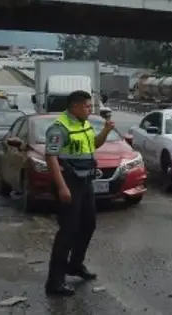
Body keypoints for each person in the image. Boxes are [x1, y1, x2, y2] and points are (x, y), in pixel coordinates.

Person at [43, 90, 116, 296]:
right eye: (86, 106)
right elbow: (51, 157)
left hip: (85, 181)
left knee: (88, 224)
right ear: (74, 107)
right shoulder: (59, 128)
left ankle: (75, 265)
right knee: (68, 231)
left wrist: (106, 131)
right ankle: (54, 281)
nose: (90, 109)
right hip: (68, 181)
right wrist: (62, 187)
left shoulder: (83, 123)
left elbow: (93, 144)